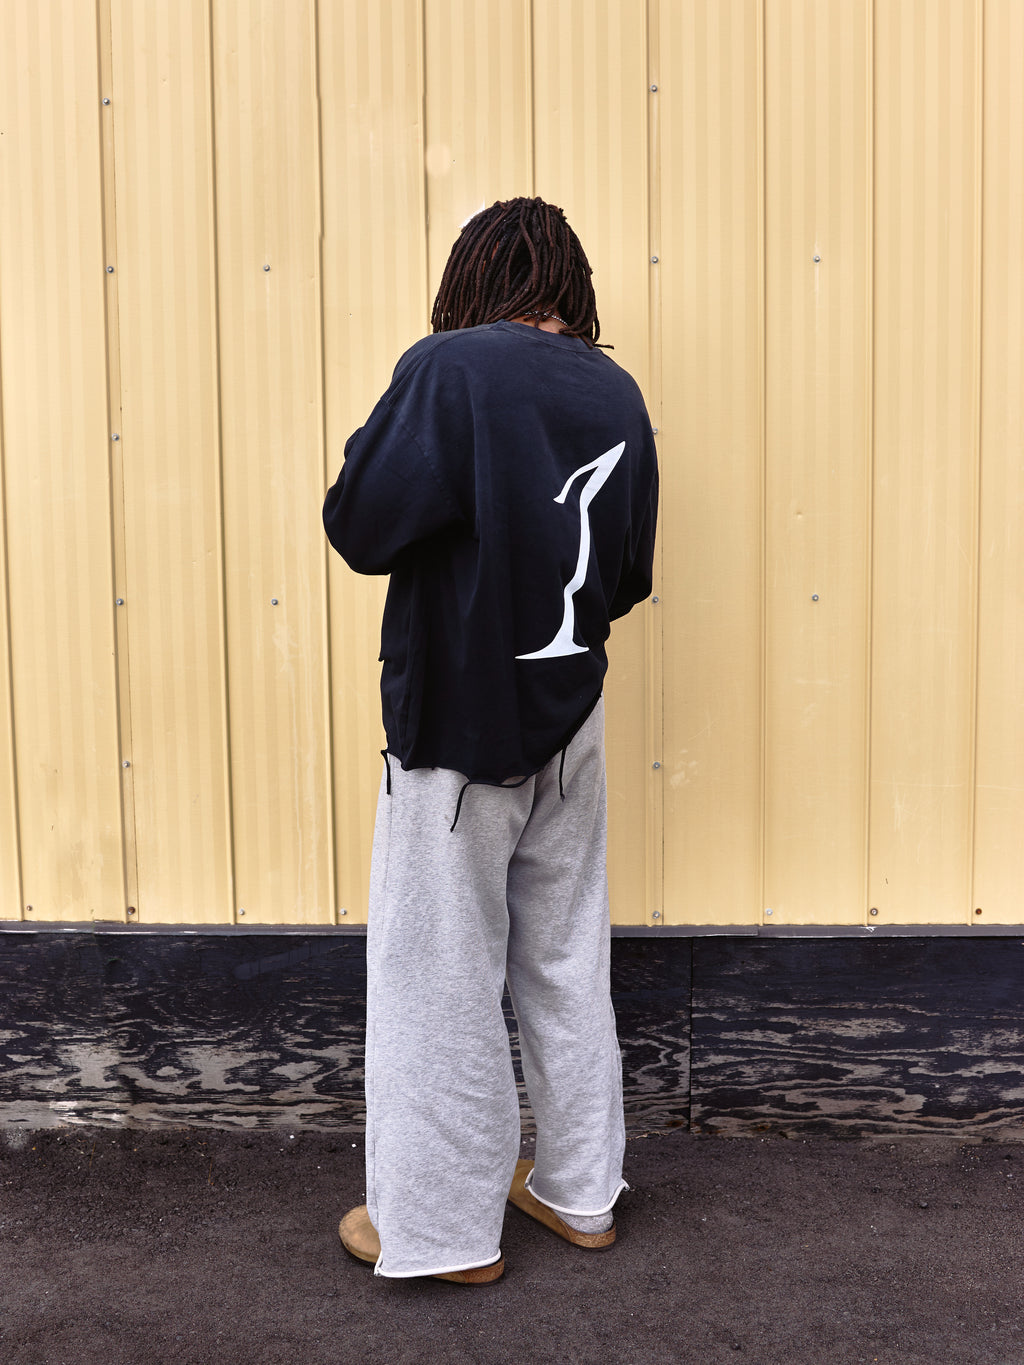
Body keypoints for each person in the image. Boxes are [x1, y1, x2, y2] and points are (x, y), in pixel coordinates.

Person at [323, 196, 658, 1284]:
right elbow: (629, 574)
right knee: (566, 956)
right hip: (570, 716)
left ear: (475, 276)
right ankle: (581, 1193)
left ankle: (437, 1233)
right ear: (570, 284)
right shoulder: (616, 391)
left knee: (437, 974)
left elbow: (359, 524)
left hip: (457, 728)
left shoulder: (449, 367)